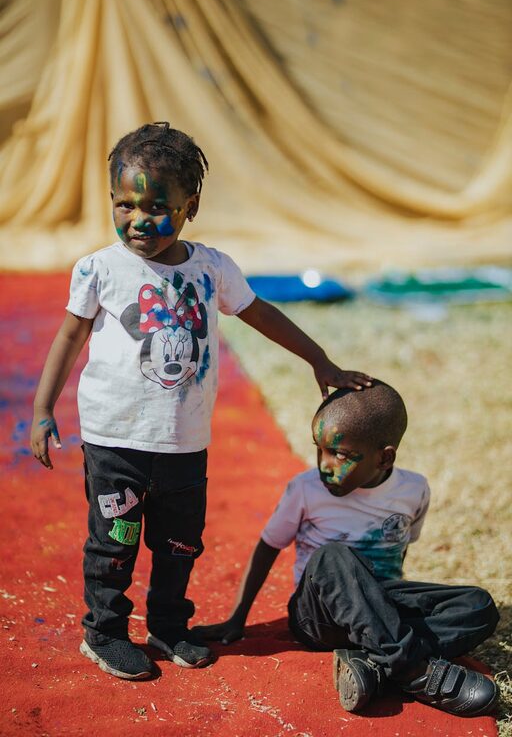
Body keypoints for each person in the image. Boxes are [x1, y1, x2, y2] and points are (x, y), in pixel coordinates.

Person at [30, 122, 372, 681]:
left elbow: (261, 314)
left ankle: (168, 628)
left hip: (184, 444)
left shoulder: (212, 268)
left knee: (179, 545)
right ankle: (106, 631)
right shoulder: (100, 269)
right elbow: (70, 337)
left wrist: (320, 360)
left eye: (156, 205)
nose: (139, 218)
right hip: (115, 440)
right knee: (114, 544)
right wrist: (45, 408)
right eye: (124, 203)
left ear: (190, 205)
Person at [194, 381, 500, 716]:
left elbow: (402, 549)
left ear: (385, 458)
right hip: (319, 618)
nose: (325, 464)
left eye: (340, 454)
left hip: (382, 608)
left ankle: (374, 667)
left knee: (478, 605)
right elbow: (268, 548)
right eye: (319, 449)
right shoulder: (305, 490)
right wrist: (237, 618)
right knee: (333, 555)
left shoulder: (413, 490)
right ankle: (413, 672)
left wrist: (386, 614)